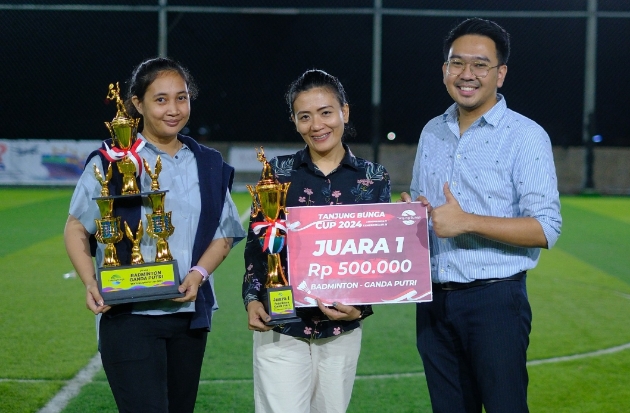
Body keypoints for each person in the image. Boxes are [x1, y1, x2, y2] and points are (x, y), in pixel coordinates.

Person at [64, 57, 245, 413]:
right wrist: (90, 282)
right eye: (161, 99)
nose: (173, 109)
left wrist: (199, 274)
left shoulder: (208, 162)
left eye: (182, 98)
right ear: (138, 104)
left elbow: (224, 233)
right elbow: (75, 227)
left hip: (188, 315)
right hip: (127, 316)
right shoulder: (111, 160)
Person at [401, 18, 562, 413]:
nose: (466, 74)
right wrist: (412, 216)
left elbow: (546, 227)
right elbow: (431, 208)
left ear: (500, 74)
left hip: (495, 302)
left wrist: (467, 221)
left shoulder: (525, 135)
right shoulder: (432, 131)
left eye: (480, 65)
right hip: (433, 302)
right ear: (445, 70)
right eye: (457, 63)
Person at [242, 69, 391, 413]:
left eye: (326, 112)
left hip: (341, 328)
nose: (317, 125)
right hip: (281, 322)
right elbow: (256, 245)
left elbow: (379, 256)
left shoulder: (374, 178)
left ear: (345, 113)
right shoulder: (276, 173)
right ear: (295, 122)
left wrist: (362, 307)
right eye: (304, 116)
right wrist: (252, 298)